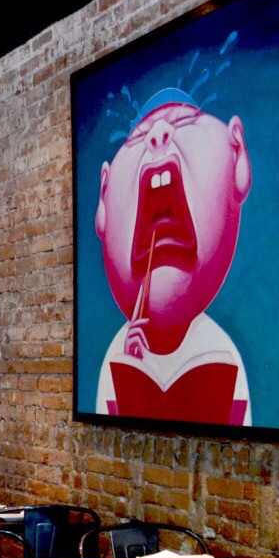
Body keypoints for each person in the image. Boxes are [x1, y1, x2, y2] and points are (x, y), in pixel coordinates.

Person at [93, 87, 252, 425]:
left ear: (237, 152)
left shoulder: (222, 352)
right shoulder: (116, 355)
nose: (158, 134)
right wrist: (131, 366)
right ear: (103, 199)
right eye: (138, 137)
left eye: (183, 121)